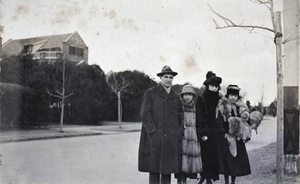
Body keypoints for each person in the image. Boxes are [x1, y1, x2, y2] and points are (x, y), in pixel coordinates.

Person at [138, 65, 184, 184]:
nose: (168, 79)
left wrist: (178, 132)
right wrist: (153, 133)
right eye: (166, 77)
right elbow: (145, 114)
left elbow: (180, 116)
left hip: (171, 139)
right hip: (155, 139)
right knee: (154, 170)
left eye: (170, 77)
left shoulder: (176, 97)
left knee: (167, 171)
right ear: (160, 78)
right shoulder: (150, 93)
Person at [216, 85, 251, 184]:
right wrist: (225, 130)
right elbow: (219, 121)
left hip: (238, 138)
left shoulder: (241, 107)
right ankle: (226, 180)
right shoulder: (222, 105)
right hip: (226, 137)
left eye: (235, 96)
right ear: (228, 95)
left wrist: (242, 126)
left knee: (236, 161)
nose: (233, 98)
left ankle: (233, 181)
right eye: (231, 95)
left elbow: (246, 121)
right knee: (227, 161)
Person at [196, 71, 222, 184]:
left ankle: (209, 179)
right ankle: (206, 179)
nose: (214, 89)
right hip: (206, 132)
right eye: (212, 86)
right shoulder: (201, 99)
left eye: (216, 86)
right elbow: (199, 117)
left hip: (216, 132)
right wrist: (203, 133)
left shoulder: (220, 99)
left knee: (214, 157)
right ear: (207, 86)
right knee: (205, 157)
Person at [176, 85, 202, 184]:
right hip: (182, 138)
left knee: (190, 166)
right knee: (180, 164)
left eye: (190, 95)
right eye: (186, 95)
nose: (188, 97)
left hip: (193, 138)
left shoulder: (195, 108)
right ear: (182, 96)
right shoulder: (179, 107)